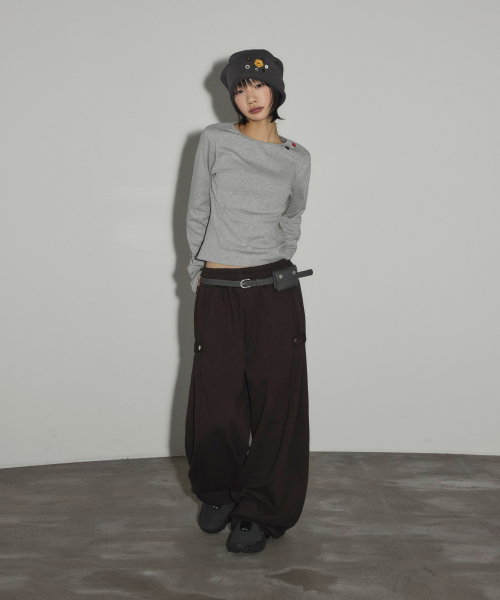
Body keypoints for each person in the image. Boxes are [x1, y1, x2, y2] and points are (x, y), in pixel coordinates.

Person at [185, 49, 312, 553]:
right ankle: (219, 490)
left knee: (278, 403)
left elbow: (292, 217)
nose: (250, 96)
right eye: (239, 88)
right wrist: (198, 271)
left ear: (276, 89)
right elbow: (198, 209)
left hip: (274, 292)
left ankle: (260, 508)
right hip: (218, 287)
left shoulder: (297, 157)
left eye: (258, 85)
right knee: (217, 402)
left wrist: (277, 256)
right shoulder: (215, 139)